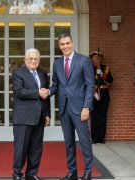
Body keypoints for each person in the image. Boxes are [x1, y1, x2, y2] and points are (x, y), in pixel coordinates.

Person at [43, 33, 95, 180]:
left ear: (72, 44)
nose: (65, 46)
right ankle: (72, 172)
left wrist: (86, 107)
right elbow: (55, 85)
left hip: (80, 109)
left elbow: (90, 85)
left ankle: (88, 172)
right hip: (64, 109)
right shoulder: (57, 63)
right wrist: (48, 91)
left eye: (67, 43)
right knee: (68, 143)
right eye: (62, 44)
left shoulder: (84, 60)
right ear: (59, 46)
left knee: (84, 141)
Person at [12, 48, 51, 180]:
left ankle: (32, 174)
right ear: (25, 60)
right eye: (31, 59)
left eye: (36, 59)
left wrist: (47, 114)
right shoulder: (18, 73)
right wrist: (37, 92)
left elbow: (46, 95)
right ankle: (17, 174)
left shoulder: (43, 73)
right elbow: (19, 92)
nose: (33, 61)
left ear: (39, 60)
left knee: (36, 149)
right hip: (23, 117)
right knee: (21, 148)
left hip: (39, 117)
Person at [89, 51, 113, 144]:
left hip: (103, 95)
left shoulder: (105, 68)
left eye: (97, 57)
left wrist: (100, 69)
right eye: (93, 57)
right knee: (94, 117)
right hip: (93, 95)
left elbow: (110, 81)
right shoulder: (89, 68)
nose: (95, 59)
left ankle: (101, 138)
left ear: (101, 58)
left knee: (103, 117)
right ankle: (94, 138)